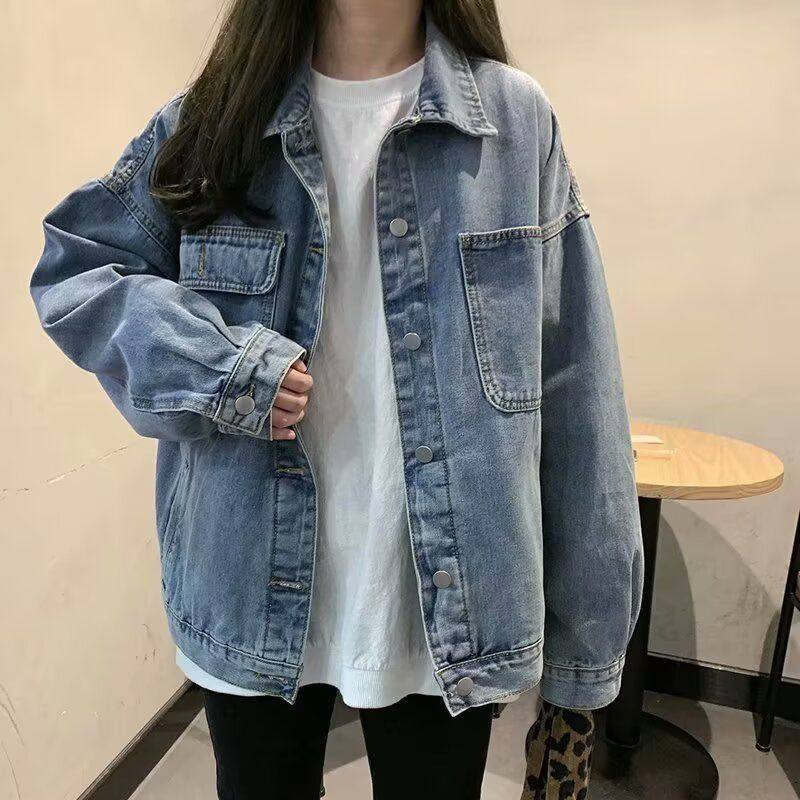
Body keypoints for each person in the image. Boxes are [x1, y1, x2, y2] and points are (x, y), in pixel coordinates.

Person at [29, 0, 644, 797]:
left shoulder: (513, 124)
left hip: (446, 611)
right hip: (245, 590)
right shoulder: (218, 119)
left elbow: (576, 385)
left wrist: (585, 649)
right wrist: (226, 370)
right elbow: (78, 270)